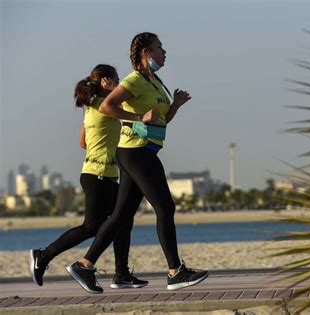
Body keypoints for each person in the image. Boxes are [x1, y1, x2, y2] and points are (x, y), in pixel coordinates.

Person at [66, 32, 208, 294]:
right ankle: (175, 271)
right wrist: (138, 116)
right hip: (135, 152)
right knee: (165, 206)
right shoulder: (133, 80)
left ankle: (84, 265)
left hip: (145, 150)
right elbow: (108, 106)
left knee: (121, 215)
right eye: (159, 47)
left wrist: (174, 106)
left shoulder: (154, 81)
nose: (164, 52)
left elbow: (159, 121)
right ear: (145, 52)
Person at [29, 65, 148, 292]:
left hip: (101, 174)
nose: (120, 83)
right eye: (115, 79)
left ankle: (121, 274)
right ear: (106, 81)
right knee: (92, 226)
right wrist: (117, 90)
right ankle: (43, 256)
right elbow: (132, 105)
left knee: (124, 220)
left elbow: (83, 141)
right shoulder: (107, 107)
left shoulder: (91, 108)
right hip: (99, 176)